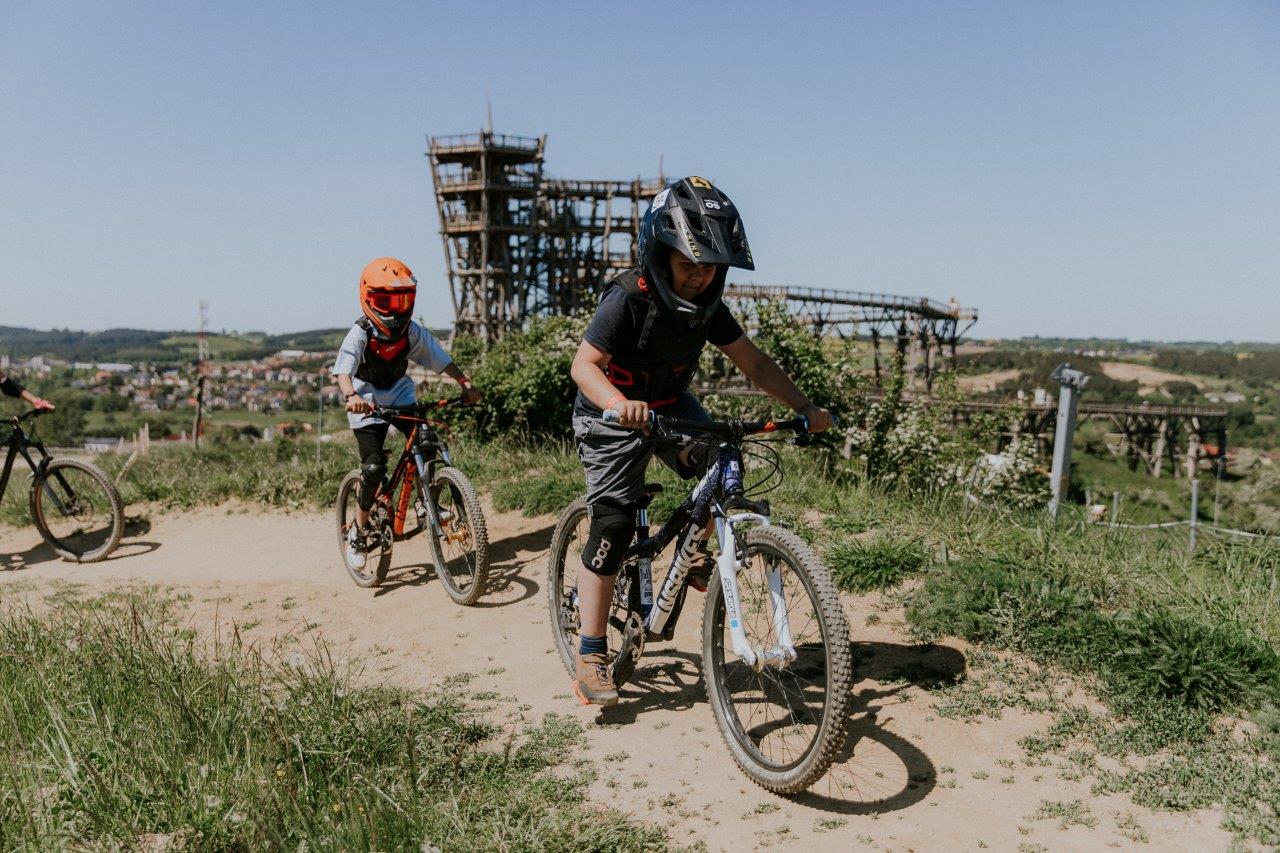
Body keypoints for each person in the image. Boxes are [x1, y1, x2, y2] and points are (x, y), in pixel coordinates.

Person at [568, 176, 834, 706]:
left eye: (710, 266)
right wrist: (619, 403)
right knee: (614, 523)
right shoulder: (627, 297)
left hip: (671, 406)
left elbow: (754, 363)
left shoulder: (709, 308)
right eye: (688, 263)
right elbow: (584, 366)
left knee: (722, 463)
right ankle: (591, 652)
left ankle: (692, 552)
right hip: (610, 415)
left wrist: (804, 407)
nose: (698, 275)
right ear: (659, 255)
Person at [332, 257, 480, 570]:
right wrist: (351, 395)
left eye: (402, 301)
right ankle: (358, 531)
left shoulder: (411, 332)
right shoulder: (360, 333)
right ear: (368, 298)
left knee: (426, 440)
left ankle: (428, 501)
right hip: (366, 399)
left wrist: (465, 383)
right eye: (386, 302)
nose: (395, 311)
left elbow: (441, 359)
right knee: (373, 468)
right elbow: (343, 371)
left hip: (400, 394)